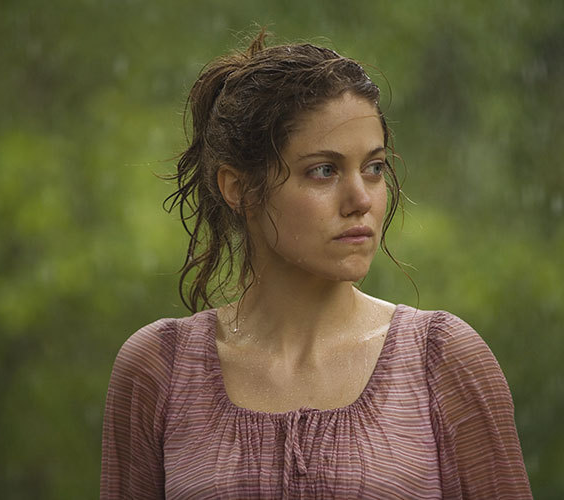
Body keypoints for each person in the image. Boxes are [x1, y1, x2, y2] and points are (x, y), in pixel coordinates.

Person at [100, 30, 532, 499]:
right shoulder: (160, 370)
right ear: (238, 188)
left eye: (374, 167)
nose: (360, 199)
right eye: (323, 170)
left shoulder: (441, 360)